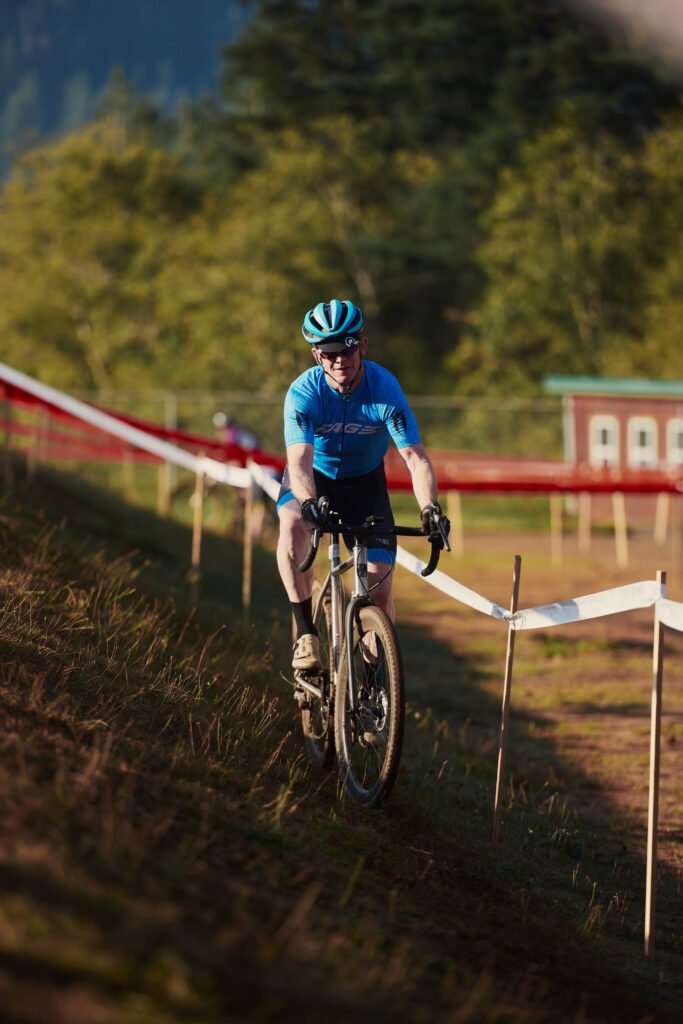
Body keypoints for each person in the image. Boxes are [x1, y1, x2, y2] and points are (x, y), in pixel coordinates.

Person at [276, 298, 450, 671]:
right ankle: (306, 633)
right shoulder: (303, 393)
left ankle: (375, 686)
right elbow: (299, 462)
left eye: (348, 347)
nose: (340, 359)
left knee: (380, 594)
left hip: (365, 485)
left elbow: (415, 458)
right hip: (314, 480)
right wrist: (308, 505)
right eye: (330, 352)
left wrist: (430, 508)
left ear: (363, 345)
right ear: (316, 355)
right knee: (291, 524)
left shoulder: (384, 389)